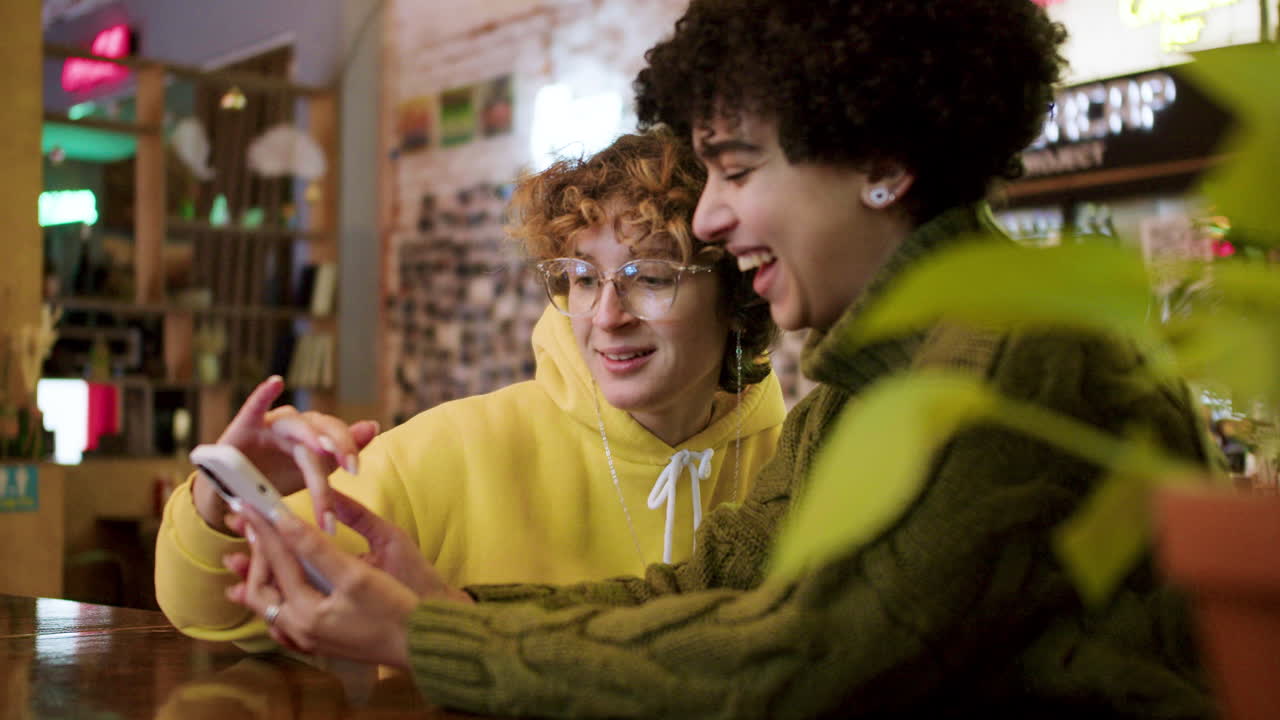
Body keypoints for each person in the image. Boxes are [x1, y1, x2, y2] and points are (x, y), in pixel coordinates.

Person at [225, 0, 1216, 716]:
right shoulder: (874, 382)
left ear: (882, 162)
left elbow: (794, 662)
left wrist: (422, 637)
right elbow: (712, 594)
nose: (707, 217)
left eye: (736, 170)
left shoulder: (1010, 361)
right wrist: (450, 606)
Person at [154, 126, 785, 646]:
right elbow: (217, 608)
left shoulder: (793, 461)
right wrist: (223, 497)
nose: (606, 316)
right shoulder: (455, 447)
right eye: (583, 278)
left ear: (736, 295)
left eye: (650, 275)